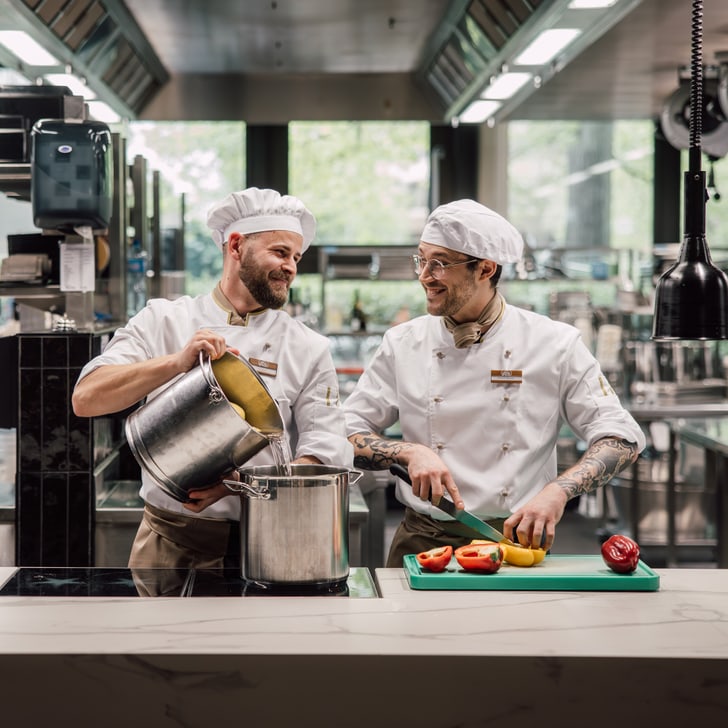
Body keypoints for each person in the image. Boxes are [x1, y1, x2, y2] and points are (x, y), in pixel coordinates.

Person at [342, 199, 646, 567]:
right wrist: (408, 452)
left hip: (515, 543)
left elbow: (622, 437)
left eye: (439, 263)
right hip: (423, 541)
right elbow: (345, 432)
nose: (424, 275)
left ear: (485, 269)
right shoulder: (403, 343)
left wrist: (559, 491)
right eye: (421, 259)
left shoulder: (554, 343)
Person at [72, 187, 353, 571]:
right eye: (280, 252)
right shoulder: (163, 320)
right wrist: (175, 363)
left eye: (296, 257)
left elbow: (325, 448)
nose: (291, 267)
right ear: (236, 246)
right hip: (170, 541)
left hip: (271, 538)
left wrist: (241, 483)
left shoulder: (308, 346)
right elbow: (86, 398)